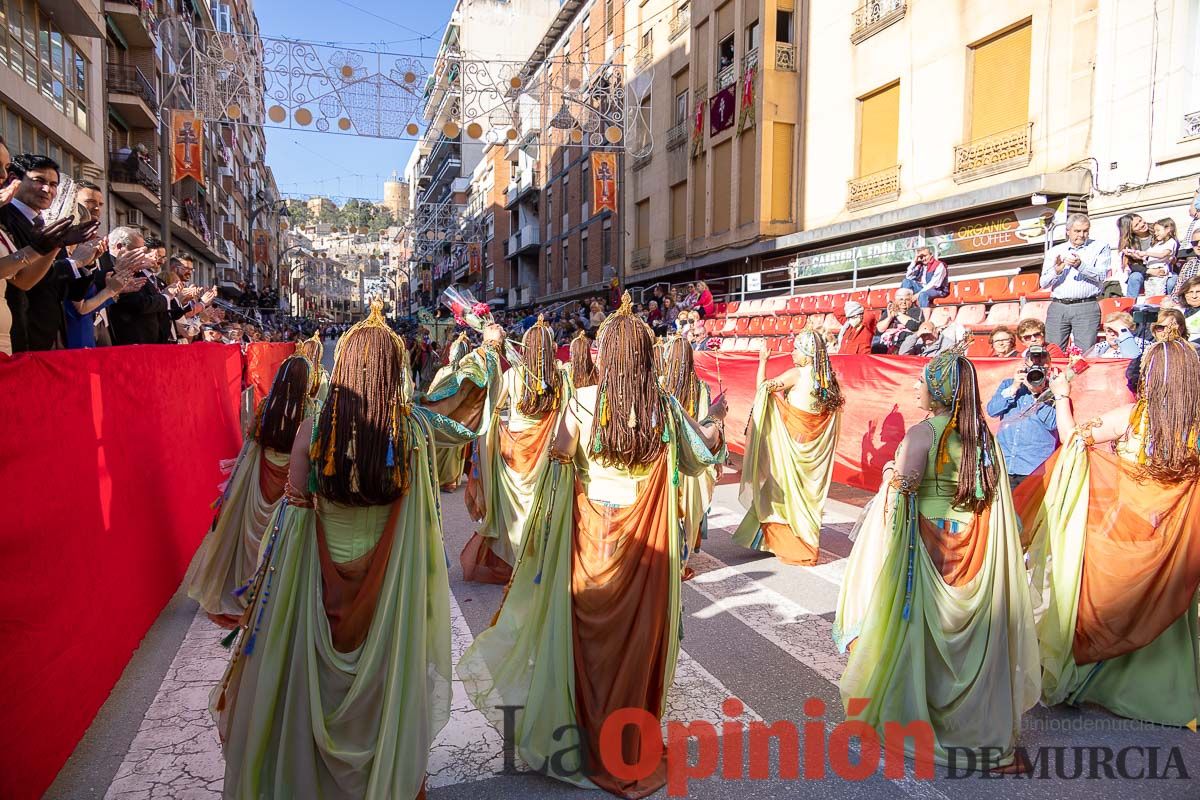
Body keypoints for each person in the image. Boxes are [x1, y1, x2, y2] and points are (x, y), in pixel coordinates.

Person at [458, 295, 727, 799]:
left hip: (589, 546)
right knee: (636, 646)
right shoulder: (664, 407)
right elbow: (699, 458)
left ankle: (582, 739)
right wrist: (715, 422)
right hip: (648, 556)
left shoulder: (581, 402)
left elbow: (559, 460)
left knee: (583, 643)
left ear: (606, 357)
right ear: (645, 359)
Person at [212, 301, 474, 799]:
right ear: (394, 372)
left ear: (344, 368)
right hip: (388, 583)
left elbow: (296, 502)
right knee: (382, 682)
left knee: (306, 681)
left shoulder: (315, 428)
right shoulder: (411, 430)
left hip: (317, 578)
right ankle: (380, 769)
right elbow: (456, 443)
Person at [834, 344, 1040, 770]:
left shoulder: (923, 433)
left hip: (927, 546)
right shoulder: (983, 437)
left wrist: (892, 473)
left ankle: (917, 715)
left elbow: (906, 484)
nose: (916, 386)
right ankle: (977, 726)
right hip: (975, 546)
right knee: (970, 640)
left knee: (921, 634)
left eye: (922, 380)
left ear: (939, 391)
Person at [1018, 335, 1200, 728]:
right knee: (1164, 610)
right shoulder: (1195, 430)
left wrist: (1062, 395)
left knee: (1108, 607)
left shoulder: (1133, 417)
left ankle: (1094, 683)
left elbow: (1073, 441)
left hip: (1123, 534)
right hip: (1176, 542)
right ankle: (1162, 692)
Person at [186, 355, 315, 626]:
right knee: (277, 543)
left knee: (248, 542)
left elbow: (253, 439)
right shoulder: (309, 411)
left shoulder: (268, 406)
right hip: (287, 491)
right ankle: (269, 594)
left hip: (259, 485)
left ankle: (242, 592)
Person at [461, 316, 568, 585]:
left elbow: (493, 409)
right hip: (546, 452)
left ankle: (517, 560)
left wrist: (490, 442)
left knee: (515, 512)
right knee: (540, 508)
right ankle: (539, 560)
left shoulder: (514, 375)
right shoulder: (559, 375)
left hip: (513, 453)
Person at [733, 330, 844, 565]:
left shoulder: (798, 373)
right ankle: (800, 539)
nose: (792, 352)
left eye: (796, 349)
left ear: (806, 354)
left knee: (778, 492)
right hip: (813, 449)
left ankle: (783, 541)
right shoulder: (828, 379)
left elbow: (763, 388)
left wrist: (763, 360)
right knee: (804, 495)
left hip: (791, 444)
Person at [1, 154, 100, 351]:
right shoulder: (5, 216)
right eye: (39, 181)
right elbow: (23, 280)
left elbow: (62, 287)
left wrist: (86, 263)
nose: (48, 190)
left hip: (49, 333)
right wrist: (72, 262)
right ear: (14, 180)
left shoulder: (51, 226)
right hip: (20, 330)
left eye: (54, 184)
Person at [661, 334, 719, 580]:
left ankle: (671, 561)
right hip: (693, 462)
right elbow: (707, 425)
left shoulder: (661, 386)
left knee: (671, 513)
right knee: (690, 515)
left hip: (669, 460)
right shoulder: (701, 387)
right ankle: (682, 563)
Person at [986, 348, 1060, 488]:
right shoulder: (1009, 384)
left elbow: (1053, 423)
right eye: (1033, 362)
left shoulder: (1055, 389)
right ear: (1025, 364)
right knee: (1005, 509)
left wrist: (1037, 396)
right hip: (1004, 463)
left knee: (1030, 510)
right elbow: (992, 410)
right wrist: (1014, 387)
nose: (1037, 365)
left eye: (1042, 362)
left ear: (1048, 366)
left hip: (1034, 468)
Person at [1040, 212, 1109, 350]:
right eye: (1077, 231)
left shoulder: (1100, 247)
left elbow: (1102, 276)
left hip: (1086, 305)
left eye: (1085, 231)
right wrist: (1057, 271)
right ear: (1068, 231)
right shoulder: (1055, 251)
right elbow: (1043, 283)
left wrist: (1080, 266)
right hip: (1058, 306)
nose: (1082, 235)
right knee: (1053, 352)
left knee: (1085, 354)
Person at [108, 227, 170, 345]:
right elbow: (137, 303)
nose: (142, 255)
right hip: (128, 340)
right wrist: (165, 297)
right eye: (138, 250)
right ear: (120, 247)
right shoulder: (108, 265)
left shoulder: (137, 271)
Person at [1123, 218, 1179, 297]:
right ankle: (1132, 305)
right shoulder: (1158, 243)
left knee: (1159, 293)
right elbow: (1145, 259)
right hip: (1149, 274)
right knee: (1149, 295)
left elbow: (1163, 255)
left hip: (1161, 272)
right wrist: (1134, 254)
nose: (1155, 233)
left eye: (1140, 220)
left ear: (1168, 230)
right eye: (1136, 225)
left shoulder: (1170, 242)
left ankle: (1169, 305)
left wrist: (1146, 253)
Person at [900, 246, 949, 316]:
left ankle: (923, 318)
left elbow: (934, 284)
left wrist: (918, 294)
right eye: (921, 257)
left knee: (923, 294)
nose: (923, 258)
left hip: (938, 289)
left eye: (925, 256)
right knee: (906, 281)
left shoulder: (939, 265)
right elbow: (909, 276)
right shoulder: (920, 266)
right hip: (923, 288)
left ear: (931, 255)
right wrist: (914, 261)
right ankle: (905, 311)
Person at [875, 287, 922, 353]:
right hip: (889, 342)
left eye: (907, 299)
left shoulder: (916, 311)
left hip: (906, 341)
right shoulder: (888, 311)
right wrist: (889, 318)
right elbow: (879, 330)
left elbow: (913, 326)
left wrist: (897, 313)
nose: (903, 302)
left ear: (911, 300)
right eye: (901, 299)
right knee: (876, 344)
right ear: (895, 301)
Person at [1178, 275, 1200, 342]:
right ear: (1184, 294)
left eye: (1198, 292)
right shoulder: (1178, 311)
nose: (1194, 296)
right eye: (1190, 292)